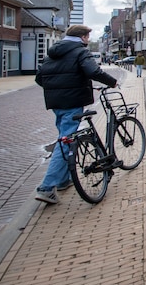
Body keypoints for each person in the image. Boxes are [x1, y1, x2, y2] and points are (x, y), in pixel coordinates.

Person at [34, 24, 118, 205]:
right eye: (87, 37)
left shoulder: (52, 53)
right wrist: (112, 82)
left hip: (56, 104)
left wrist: (57, 89)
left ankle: (63, 180)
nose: (88, 40)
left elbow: (39, 78)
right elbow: (93, 71)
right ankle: (46, 187)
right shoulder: (80, 51)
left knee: (63, 139)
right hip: (72, 102)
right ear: (82, 37)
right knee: (66, 142)